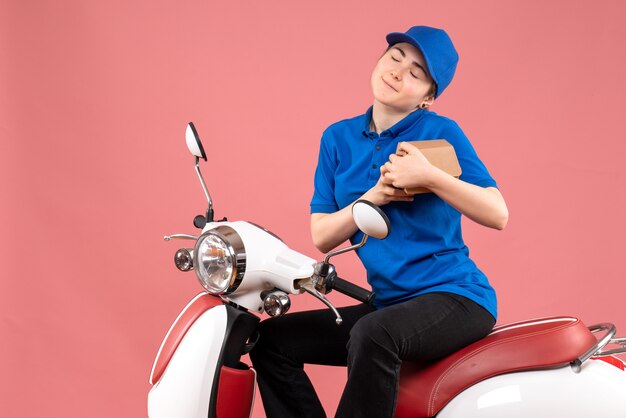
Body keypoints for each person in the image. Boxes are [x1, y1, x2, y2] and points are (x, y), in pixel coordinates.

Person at [249, 25, 509, 418]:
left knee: (372, 334)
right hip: (388, 303)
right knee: (270, 339)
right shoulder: (337, 138)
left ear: (428, 97)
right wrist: (374, 196)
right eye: (395, 57)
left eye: (417, 73)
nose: (398, 72)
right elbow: (322, 235)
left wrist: (431, 177)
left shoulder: (441, 132)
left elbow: (498, 213)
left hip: (456, 298)